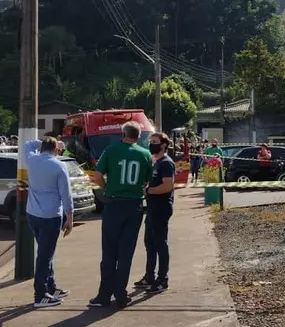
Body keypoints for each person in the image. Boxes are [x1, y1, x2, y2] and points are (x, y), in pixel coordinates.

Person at [89, 121, 152, 309]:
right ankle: (121, 294)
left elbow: (97, 176)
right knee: (126, 252)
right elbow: (147, 181)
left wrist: (107, 188)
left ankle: (104, 295)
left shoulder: (111, 150)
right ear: (138, 136)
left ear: (122, 134)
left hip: (114, 204)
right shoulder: (145, 154)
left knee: (109, 251)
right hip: (134, 205)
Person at [24, 136, 75, 308]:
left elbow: (28, 144)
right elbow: (66, 195)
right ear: (56, 149)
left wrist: (46, 143)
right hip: (51, 216)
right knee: (45, 256)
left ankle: (50, 286)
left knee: (45, 252)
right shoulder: (59, 165)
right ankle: (40, 295)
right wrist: (70, 218)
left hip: (33, 214)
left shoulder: (32, 160)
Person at [134, 132, 176, 294]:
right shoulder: (155, 162)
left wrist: (148, 190)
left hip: (161, 208)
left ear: (163, 145)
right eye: (150, 141)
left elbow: (167, 186)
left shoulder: (166, 163)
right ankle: (149, 276)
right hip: (152, 208)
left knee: (160, 244)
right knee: (149, 243)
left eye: (155, 142)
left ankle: (163, 278)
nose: (151, 144)